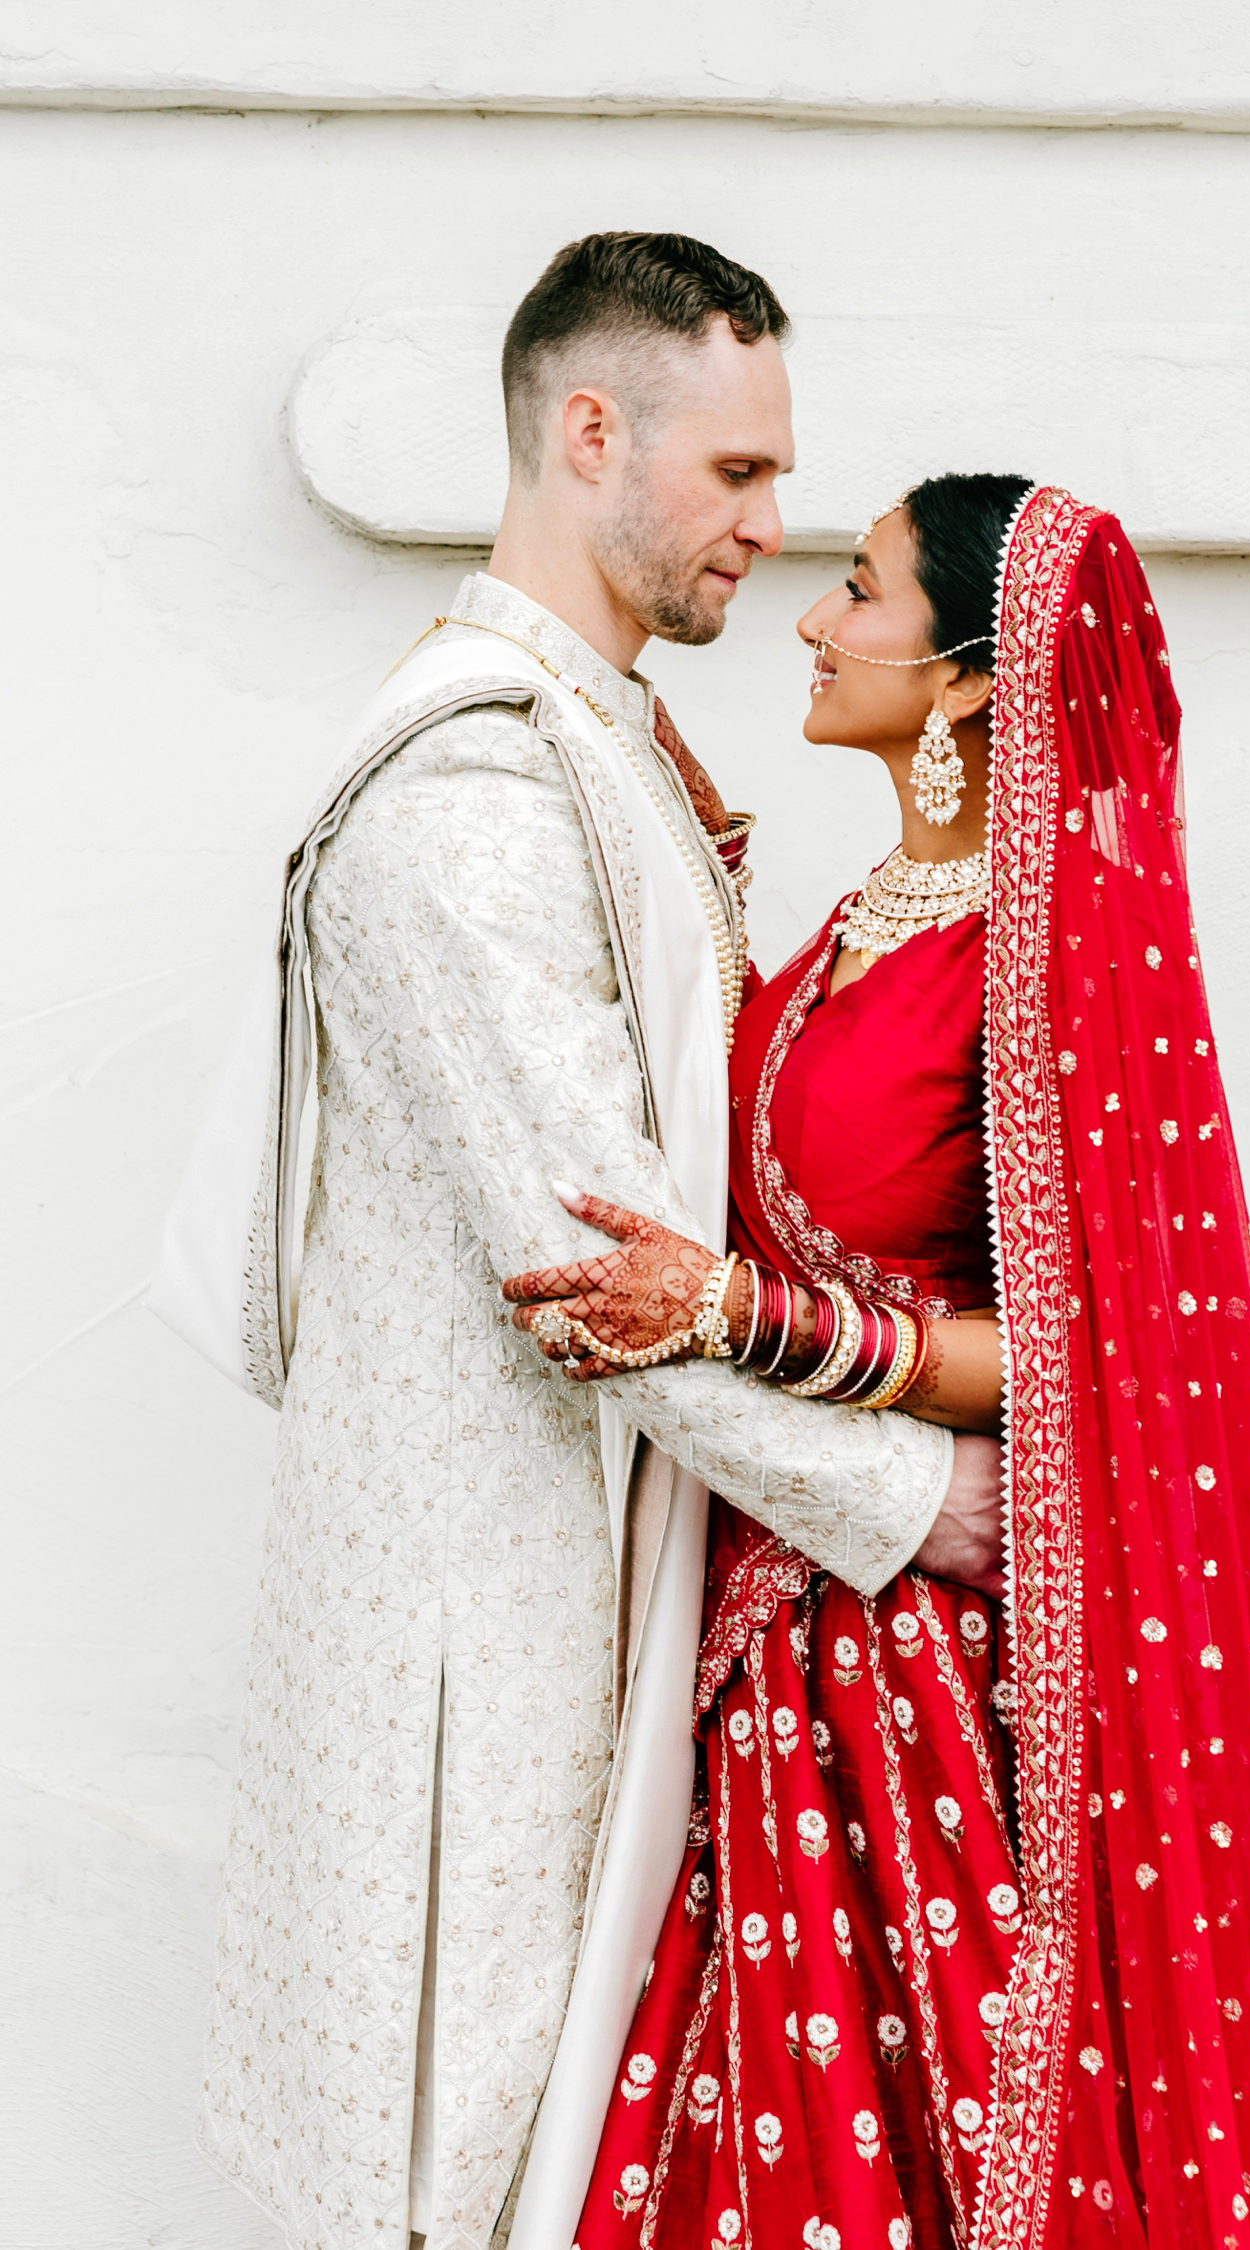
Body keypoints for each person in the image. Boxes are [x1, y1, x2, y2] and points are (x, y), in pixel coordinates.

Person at [146, 238, 1009, 2250]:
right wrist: (911, 1494)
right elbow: (588, 1281)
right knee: (475, 2179)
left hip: (604, 1611)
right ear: (588, 429)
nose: (769, 531)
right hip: (488, 1654)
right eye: (734, 474)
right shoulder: (473, 788)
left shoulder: (591, 745)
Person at [505, 476, 1250, 2249]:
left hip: (925, 1652)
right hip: (769, 1615)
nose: (810, 618)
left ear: (962, 673)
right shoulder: (866, 916)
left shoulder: (1039, 956)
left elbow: (1089, 1348)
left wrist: (750, 1317)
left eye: (857, 589)